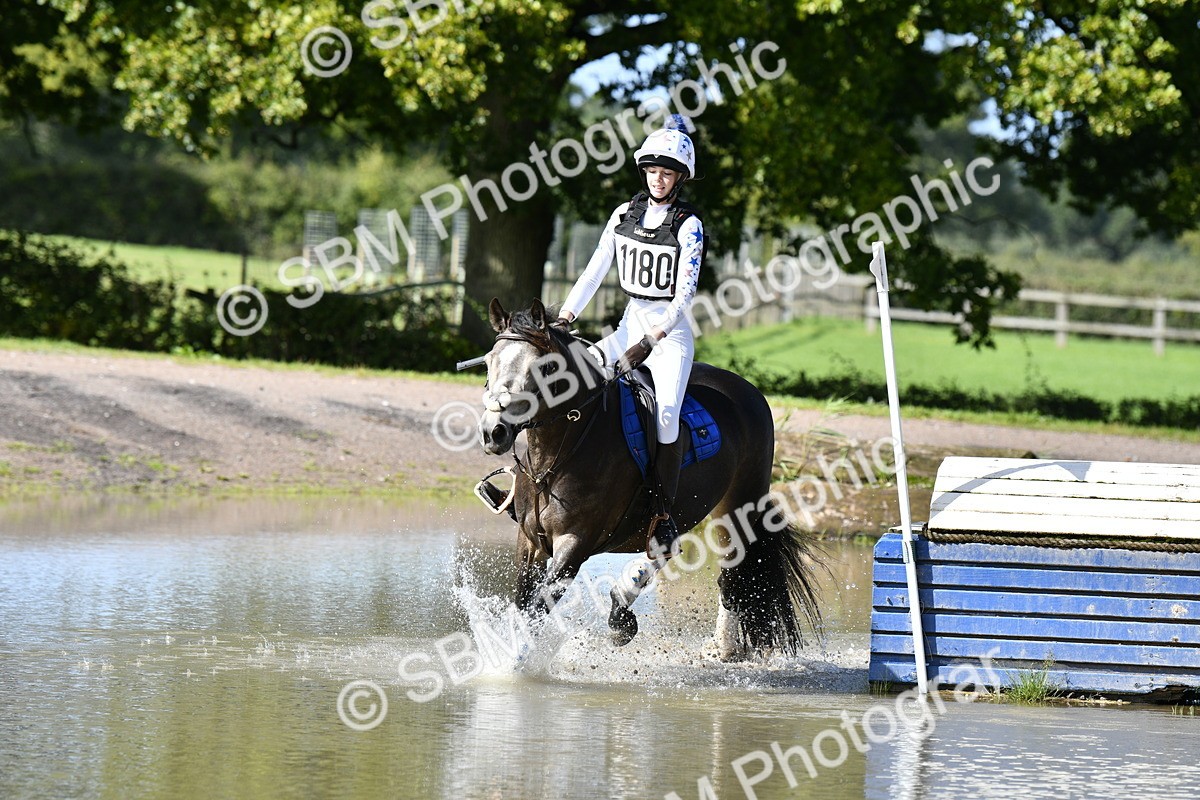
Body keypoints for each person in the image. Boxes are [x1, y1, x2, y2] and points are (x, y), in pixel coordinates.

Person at [555, 114, 704, 565]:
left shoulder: (688, 225)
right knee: (566, 381)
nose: (659, 179)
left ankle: (662, 513)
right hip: (627, 327)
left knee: (667, 414)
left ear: (680, 178)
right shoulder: (623, 215)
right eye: (653, 171)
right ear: (645, 172)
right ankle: (532, 479)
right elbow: (595, 270)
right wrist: (565, 316)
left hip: (670, 337)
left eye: (668, 172)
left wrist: (654, 338)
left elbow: (685, 293)